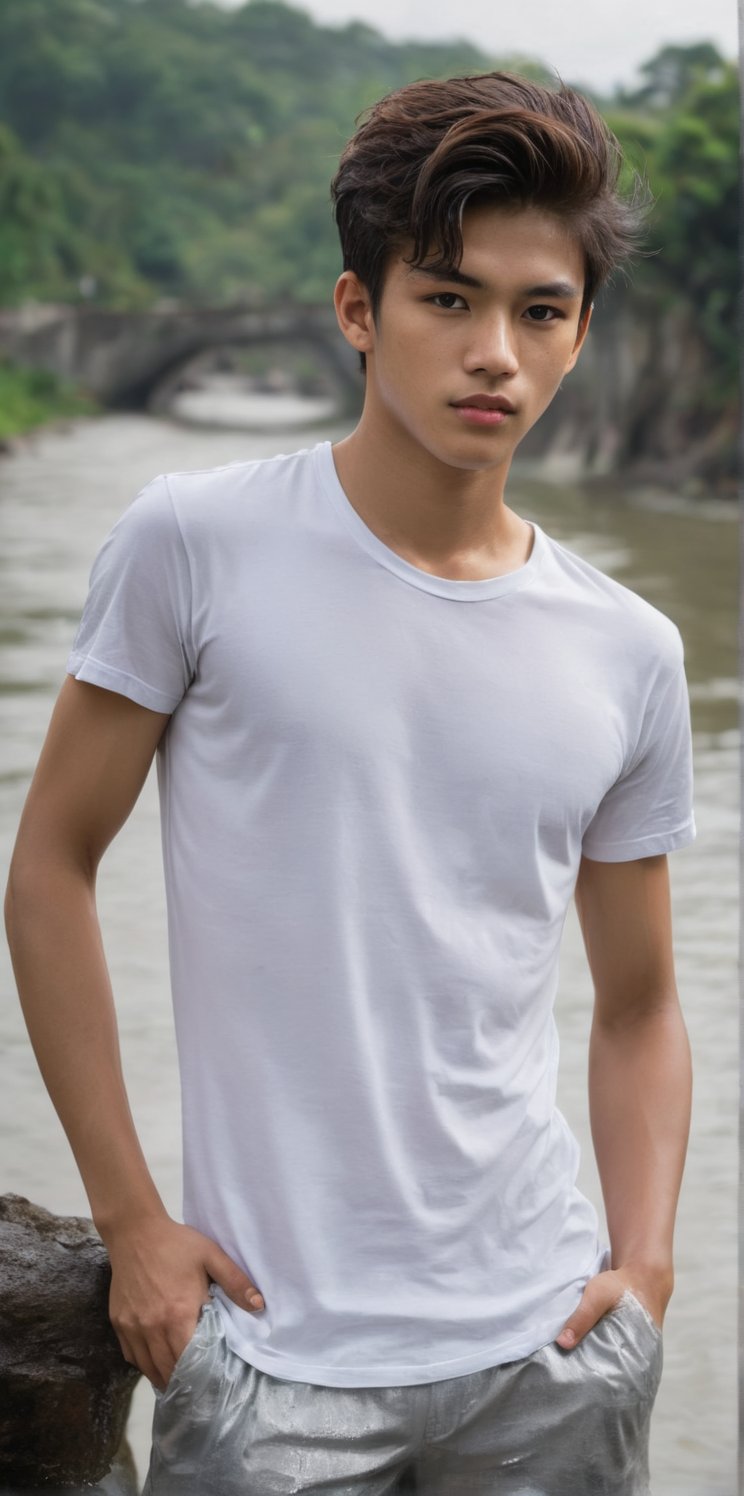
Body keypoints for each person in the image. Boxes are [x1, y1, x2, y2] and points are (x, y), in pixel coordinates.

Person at [5, 71, 695, 1495]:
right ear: (357, 312)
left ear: (580, 331)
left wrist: (645, 1265)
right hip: (275, 1359)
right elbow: (51, 865)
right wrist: (131, 1220)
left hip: (551, 1357)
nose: (494, 351)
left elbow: (638, 1004)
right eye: (447, 298)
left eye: (541, 309)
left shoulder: (631, 650)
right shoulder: (194, 545)